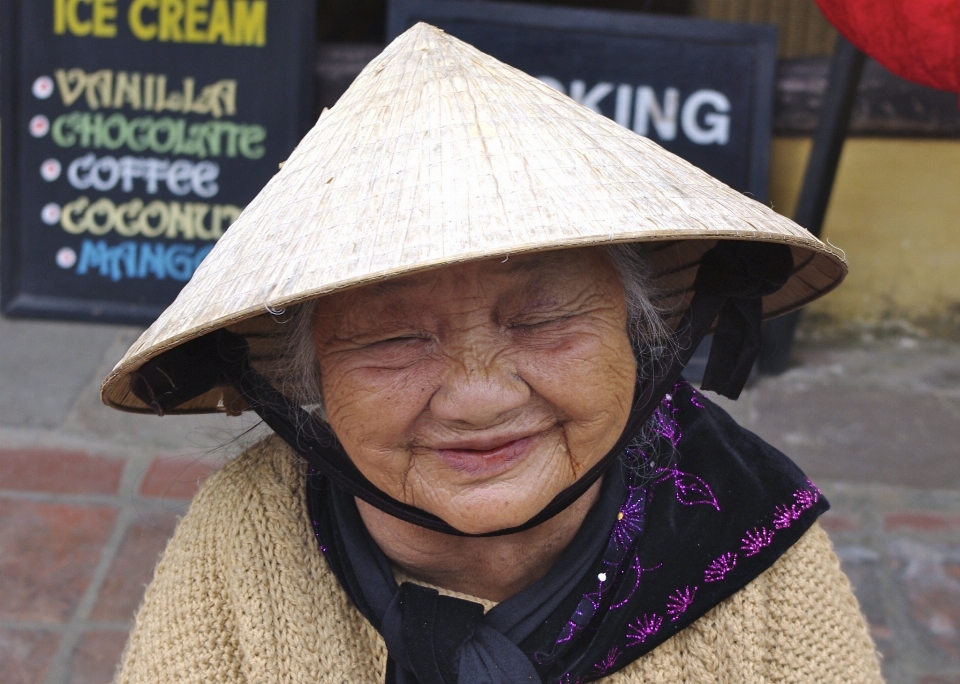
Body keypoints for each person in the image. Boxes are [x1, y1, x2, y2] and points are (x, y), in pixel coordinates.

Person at [102, 23, 883, 683]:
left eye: (543, 320)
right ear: (308, 379)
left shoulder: (752, 542)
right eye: (393, 339)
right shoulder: (244, 537)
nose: (479, 398)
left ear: (638, 331)